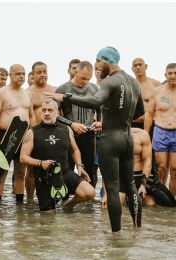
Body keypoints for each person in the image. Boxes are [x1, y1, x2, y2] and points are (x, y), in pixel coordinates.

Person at [45, 46, 144, 232]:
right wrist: (112, 120)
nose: (97, 66)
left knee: (113, 189)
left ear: (105, 60)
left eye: (98, 62)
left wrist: (65, 96)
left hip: (110, 141)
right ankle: (137, 228)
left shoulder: (109, 81)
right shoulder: (134, 82)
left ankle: (116, 235)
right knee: (130, 185)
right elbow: (140, 112)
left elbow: (95, 101)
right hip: (127, 138)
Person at [20, 99, 95, 211]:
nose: (46, 113)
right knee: (48, 218)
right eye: (44, 110)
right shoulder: (32, 132)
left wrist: (79, 165)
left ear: (57, 113)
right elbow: (23, 158)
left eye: (50, 110)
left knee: (89, 193)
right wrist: (40, 163)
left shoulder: (66, 129)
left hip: (64, 173)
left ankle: (68, 205)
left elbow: (74, 149)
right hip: (44, 178)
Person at [144, 63, 176, 197]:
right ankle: (160, 197)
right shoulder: (157, 91)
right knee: (161, 168)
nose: (173, 76)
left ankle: (172, 199)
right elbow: (149, 114)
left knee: (175, 168)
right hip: (160, 131)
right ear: (165, 75)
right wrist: (145, 134)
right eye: (170, 73)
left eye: (175, 73)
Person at [0, 64, 36, 206]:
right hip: (6, 135)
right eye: (18, 74)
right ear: (10, 75)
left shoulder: (27, 93)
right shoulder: (2, 93)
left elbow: (32, 116)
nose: (21, 76)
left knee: (20, 172)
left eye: (23, 73)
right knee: (1, 173)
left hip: (24, 136)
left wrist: (35, 137)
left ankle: (19, 206)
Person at [55, 61, 101, 188]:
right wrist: (71, 124)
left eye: (88, 78)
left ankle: (89, 203)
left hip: (89, 136)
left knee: (91, 170)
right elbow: (54, 114)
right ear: (75, 72)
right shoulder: (63, 88)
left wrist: (99, 122)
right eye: (82, 78)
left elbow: (100, 109)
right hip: (69, 135)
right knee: (67, 170)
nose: (85, 81)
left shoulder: (93, 88)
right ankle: (66, 201)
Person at [25, 61, 57, 201]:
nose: (42, 74)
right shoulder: (27, 93)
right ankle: (30, 200)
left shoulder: (55, 90)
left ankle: (53, 198)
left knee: (54, 167)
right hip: (35, 134)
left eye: (45, 71)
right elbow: (27, 115)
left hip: (54, 134)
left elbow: (60, 113)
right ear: (33, 74)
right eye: (39, 72)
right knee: (31, 170)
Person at [130, 58, 161, 129]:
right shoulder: (129, 85)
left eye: (140, 65)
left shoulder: (156, 84)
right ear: (132, 69)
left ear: (146, 66)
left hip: (152, 123)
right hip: (133, 123)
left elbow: (163, 104)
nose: (138, 67)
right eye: (135, 66)